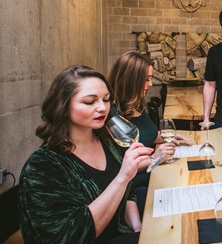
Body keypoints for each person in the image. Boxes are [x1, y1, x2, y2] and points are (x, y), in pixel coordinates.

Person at [19, 66, 153, 243]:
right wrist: (123, 177)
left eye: (106, 100)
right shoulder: (42, 166)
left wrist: (137, 228)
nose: (102, 108)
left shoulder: (106, 140)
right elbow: (70, 237)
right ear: (63, 105)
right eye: (90, 102)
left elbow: (128, 194)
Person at [108, 52, 191, 211]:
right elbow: (119, 166)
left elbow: (148, 134)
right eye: (146, 79)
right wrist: (154, 157)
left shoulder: (136, 104)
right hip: (135, 188)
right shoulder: (113, 116)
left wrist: (168, 137)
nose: (151, 84)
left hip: (155, 173)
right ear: (131, 80)